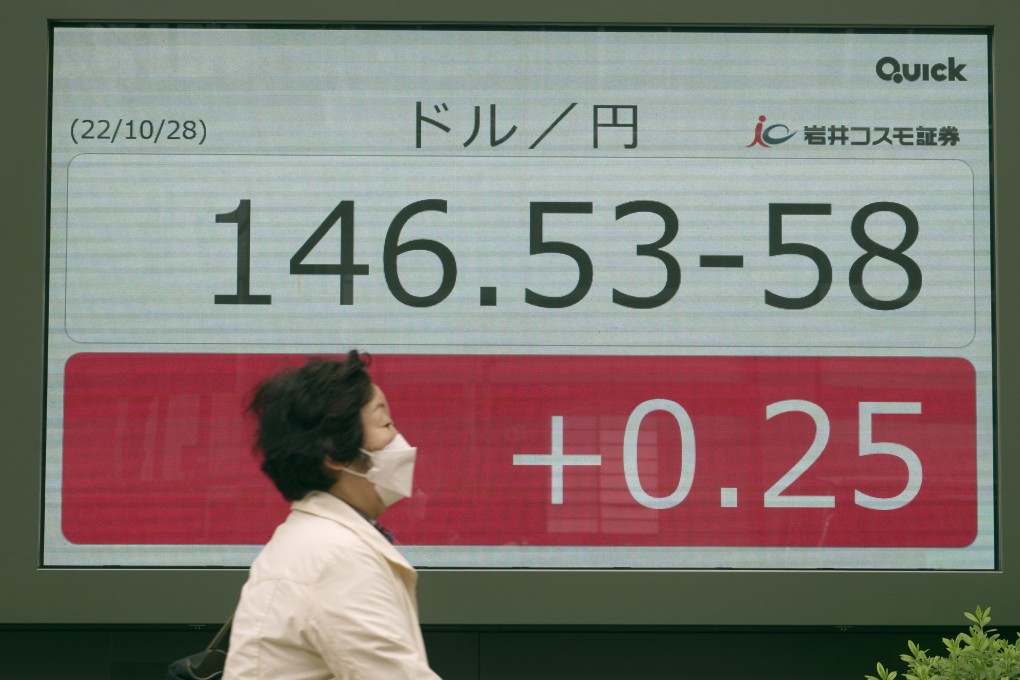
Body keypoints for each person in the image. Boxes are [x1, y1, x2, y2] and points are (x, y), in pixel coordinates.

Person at [223, 351, 442, 680]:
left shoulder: (317, 542)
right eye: (385, 424)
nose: (399, 440)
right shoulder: (337, 557)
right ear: (335, 455)